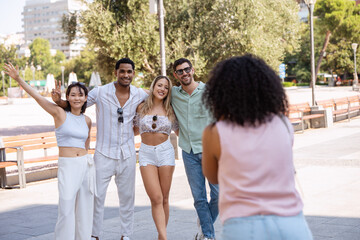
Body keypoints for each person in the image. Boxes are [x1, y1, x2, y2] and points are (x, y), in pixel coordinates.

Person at [201, 55, 313, 240]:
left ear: (221, 93)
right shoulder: (283, 124)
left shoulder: (215, 132)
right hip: (292, 223)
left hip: (243, 226)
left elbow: (212, 176)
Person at [52, 58, 148, 240]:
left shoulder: (139, 94)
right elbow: (77, 105)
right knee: (96, 197)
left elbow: (159, 96)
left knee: (128, 197)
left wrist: (144, 110)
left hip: (127, 153)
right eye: (122, 71)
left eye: (129, 72)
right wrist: (59, 101)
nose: (125, 75)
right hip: (103, 154)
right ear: (115, 72)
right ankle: (94, 234)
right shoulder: (101, 92)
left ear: (133, 73)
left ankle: (126, 235)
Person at [4, 63, 95, 240]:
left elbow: (86, 144)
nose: (77, 98)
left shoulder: (87, 120)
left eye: (80, 95)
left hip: (85, 165)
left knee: (84, 210)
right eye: (73, 95)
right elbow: (38, 98)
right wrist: (19, 79)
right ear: (67, 97)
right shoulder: (59, 114)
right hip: (68, 166)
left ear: (85, 98)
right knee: (67, 209)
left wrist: (88, 163)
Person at [171, 58, 219, 240]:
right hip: (189, 152)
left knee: (218, 196)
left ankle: (204, 224)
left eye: (187, 69)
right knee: (199, 198)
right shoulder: (174, 94)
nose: (184, 73)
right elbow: (153, 92)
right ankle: (208, 236)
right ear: (176, 75)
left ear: (193, 70)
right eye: (180, 71)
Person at [133, 75, 178, 240]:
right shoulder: (141, 108)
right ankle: (163, 236)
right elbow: (133, 129)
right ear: (153, 86)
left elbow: (181, 131)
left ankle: (162, 236)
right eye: (159, 85)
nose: (162, 89)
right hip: (146, 153)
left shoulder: (171, 109)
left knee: (165, 198)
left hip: (165, 152)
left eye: (166, 87)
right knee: (156, 198)